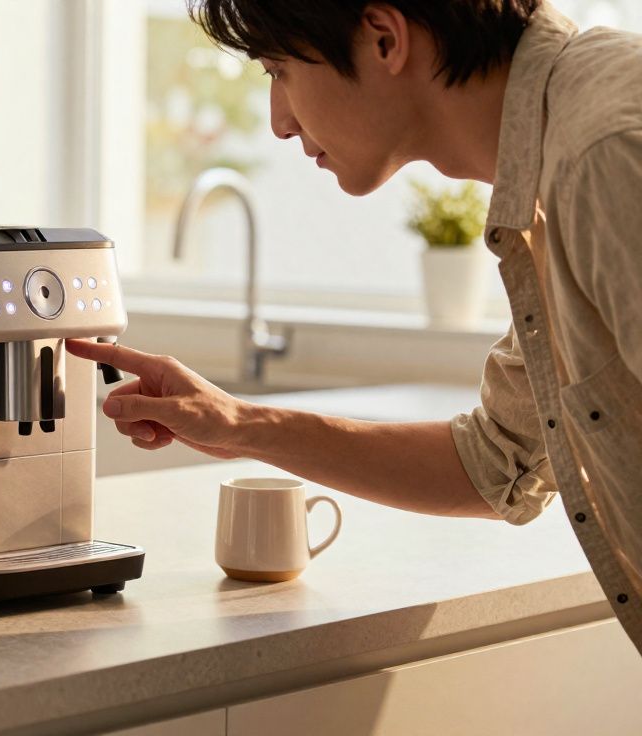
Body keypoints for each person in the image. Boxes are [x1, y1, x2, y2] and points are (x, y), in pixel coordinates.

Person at [66, 0, 642, 653]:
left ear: (384, 39)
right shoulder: (558, 162)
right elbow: (496, 460)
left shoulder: (603, 155)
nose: (279, 122)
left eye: (279, 71)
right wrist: (237, 424)